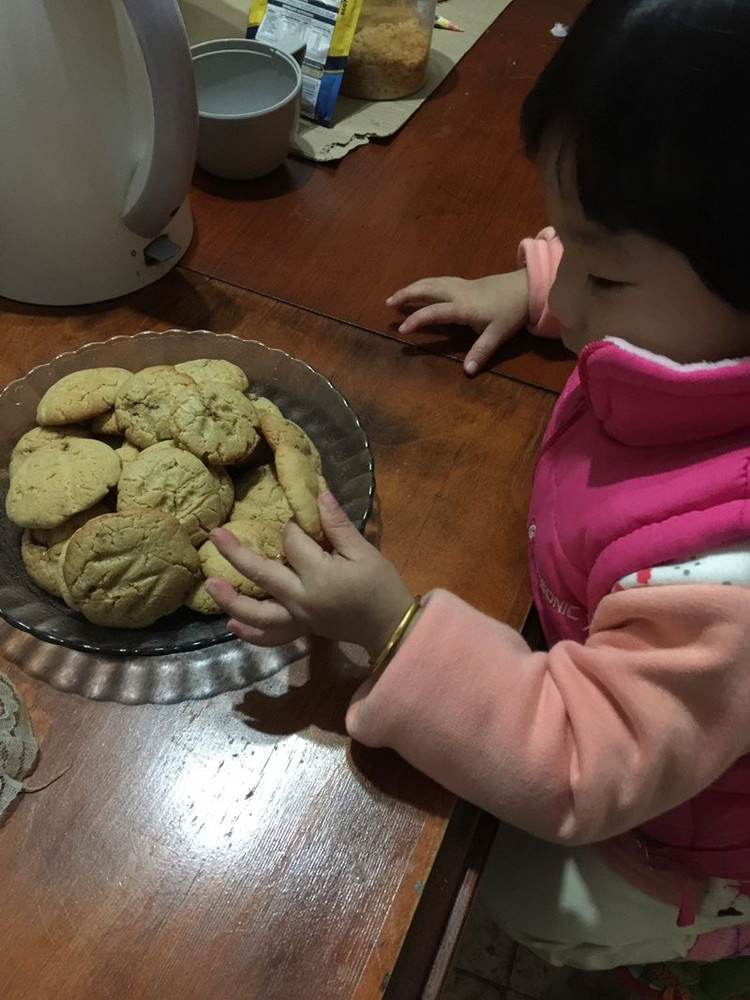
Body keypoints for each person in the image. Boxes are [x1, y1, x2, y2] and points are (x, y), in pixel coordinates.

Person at [204, 0, 750, 983]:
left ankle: (701, 932)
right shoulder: (697, 301)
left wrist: (394, 626)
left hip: (673, 832)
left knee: (509, 888)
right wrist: (533, 284)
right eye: (566, 251)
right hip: (614, 631)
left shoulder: (723, 561)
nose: (572, 304)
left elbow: (583, 764)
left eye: (606, 281)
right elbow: (622, 253)